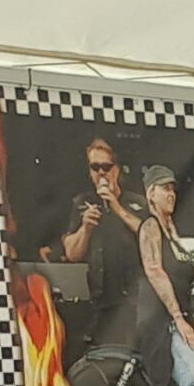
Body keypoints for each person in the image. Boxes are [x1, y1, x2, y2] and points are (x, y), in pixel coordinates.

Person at [134, 166, 194, 386]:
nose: (171, 194)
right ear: (150, 193)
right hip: (162, 323)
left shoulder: (170, 230)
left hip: (179, 318)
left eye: (173, 189)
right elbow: (155, 271)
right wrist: (178, 318)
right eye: (165, 188)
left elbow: (183, 269)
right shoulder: (150, 226)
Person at [57, 136, 146, 352]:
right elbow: (72, 254)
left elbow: (150, 236)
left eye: (106, 167)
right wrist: (85, 228)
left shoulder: (136, 202)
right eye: (95, 167)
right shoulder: (82, 203)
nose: (101, 173)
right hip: (100, 302)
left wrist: (116, 206)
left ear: (117, 169)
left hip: (135, 300)